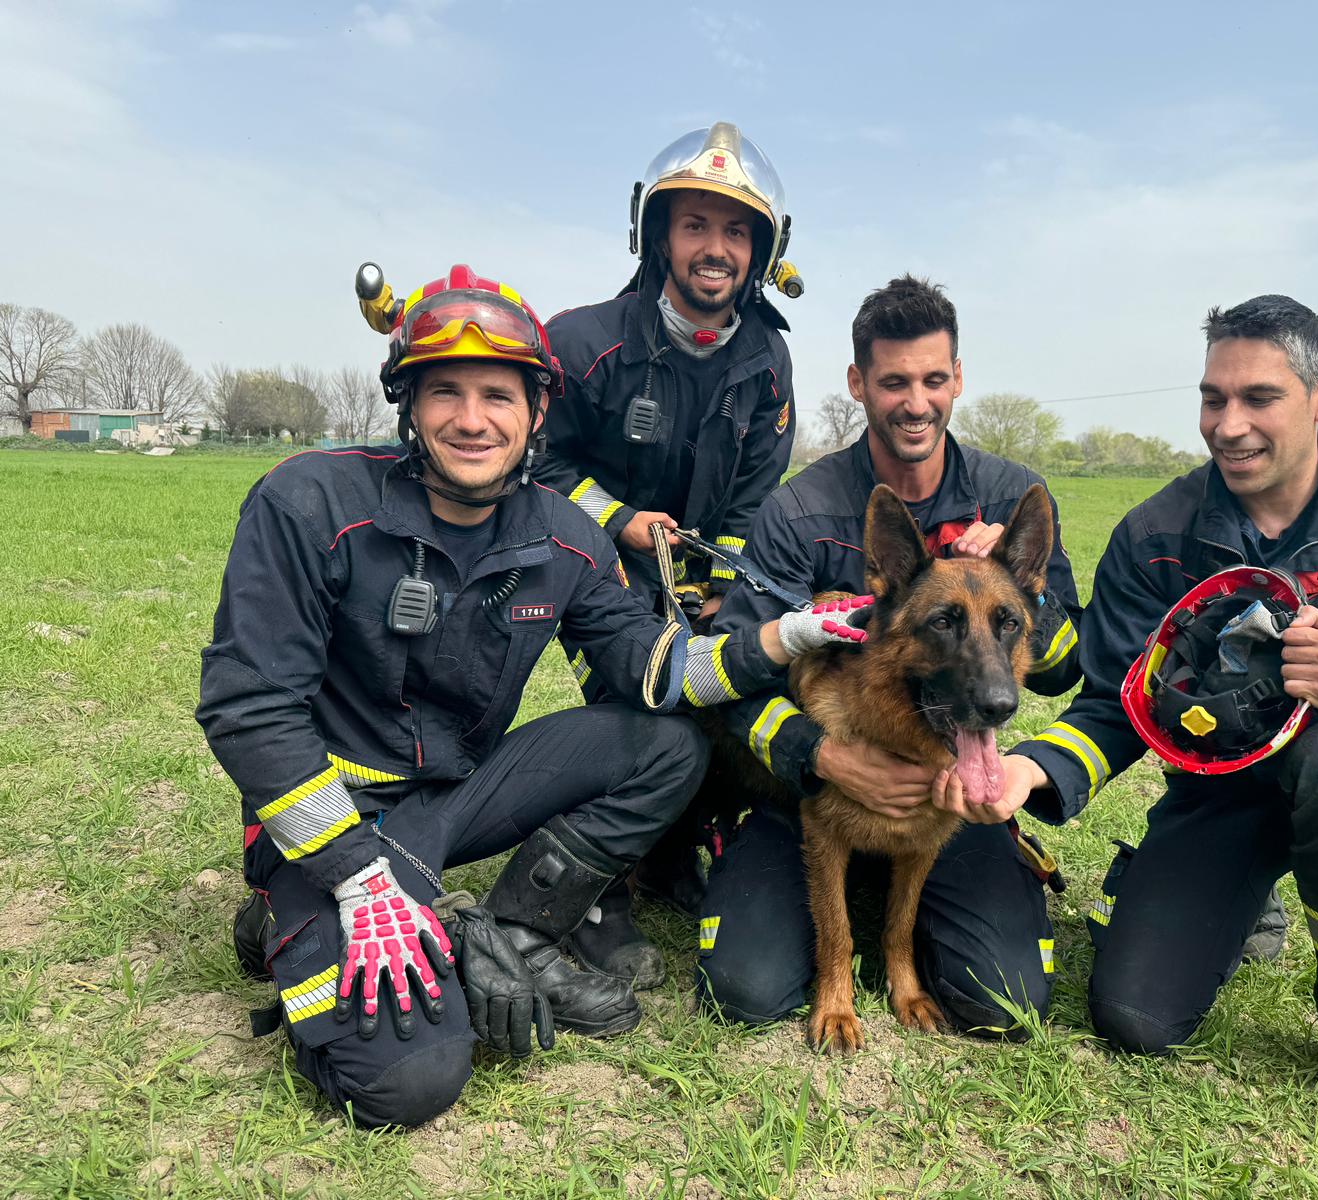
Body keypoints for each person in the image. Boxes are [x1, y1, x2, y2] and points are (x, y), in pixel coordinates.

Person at [197, 265, 867, 1128]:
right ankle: (298, 914)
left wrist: (783, 638)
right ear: (408, 402)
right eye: (444, 392)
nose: (471, 419)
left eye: (496, 394)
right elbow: (247, 710)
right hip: (330, 821)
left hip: (449, 802)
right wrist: (358, 879)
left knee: (668, 745)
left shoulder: (567, 537)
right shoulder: (310, 501)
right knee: (412, 1082)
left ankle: (509, 933)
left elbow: (657, 669)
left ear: (537, 410)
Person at [977, 295, 1318, 1155]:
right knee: (1134, 1016)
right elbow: (1119, 701)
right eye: (1212, 398)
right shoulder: (1156, 533)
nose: (1228, 425)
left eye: (1258, 398)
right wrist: (1032, 771)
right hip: (1220, 789)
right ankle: (1249, 892)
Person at [697, 275, 1085, 1035]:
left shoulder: (1012, 496)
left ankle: (912, 918)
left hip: (952, 791)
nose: (917, 401)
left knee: (1002, 1001)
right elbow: (733, 670)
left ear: (958, 381)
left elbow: (1068, 664)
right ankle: (764, 866)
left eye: (935, 379)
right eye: (894, 381)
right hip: (816, 785)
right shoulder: (799, 508)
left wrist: (1023, 597)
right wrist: (823, 756)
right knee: (742, 990)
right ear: (858, 383)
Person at [531, 121, 800, 975]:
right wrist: (615, 520)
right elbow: (538, 460)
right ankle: (592, 885)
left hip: (698, 575)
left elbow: (754, 493)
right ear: (656, 235)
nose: (714, 248)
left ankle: (675, 849)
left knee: (723, 685)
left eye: (735, 230)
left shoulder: (767, 361)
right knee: (633, 700)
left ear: (761, 251)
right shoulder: (581, 342)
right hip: (590, 567)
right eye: (694, 225)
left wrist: (724, 585)